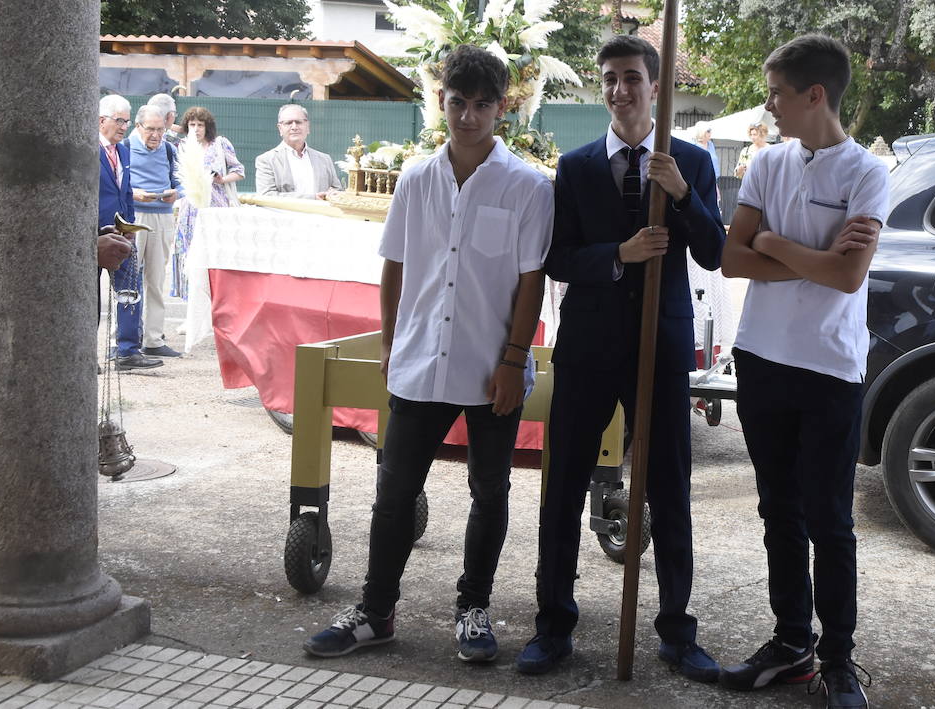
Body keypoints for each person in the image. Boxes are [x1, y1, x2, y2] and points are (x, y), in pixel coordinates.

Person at [303, 45, 553, 663]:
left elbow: (531, 281)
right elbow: (395, 267)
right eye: (458, 102)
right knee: (393, 494)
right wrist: (392, 343)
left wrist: (513, 357)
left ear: (503, 108)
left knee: (489, 491)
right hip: (418, 362)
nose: (468, 116)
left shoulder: (526, 186)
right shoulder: (416, 178)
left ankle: (473, 608)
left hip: (491, 365)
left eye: (482, 105)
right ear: (441, 101)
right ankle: (376, 611)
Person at [516, 34, 725, 680]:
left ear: (654, 86)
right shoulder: (576, 167)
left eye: (631, 77)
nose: (618, 89)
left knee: (669, 485)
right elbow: (557, 257)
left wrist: (683, 193)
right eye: (608, 78)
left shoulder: (689, 160)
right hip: (587, 347)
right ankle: (553, 624)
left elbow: (715, 250)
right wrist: (619, 254)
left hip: (659, 346)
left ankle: (676, 631)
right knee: (564, 485)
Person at [718, 35, 888, 709]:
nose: (770, 105)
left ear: (815, 95)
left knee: (829, 515)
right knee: (777, 508)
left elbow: (848, 277)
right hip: (762, 357)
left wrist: (774, 242)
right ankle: (792, 642)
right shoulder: (767, 162)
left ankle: (839, 657)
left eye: (778, 93)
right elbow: (731, 259)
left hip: (829, 368)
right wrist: (807, 254)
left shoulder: (866, 173)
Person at [98, 94, 161, 371]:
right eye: (119, 120)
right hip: (95, 235)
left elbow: (124, 191)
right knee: (87, 298)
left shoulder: (123, 151)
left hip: (122, 233)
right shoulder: (88, 149)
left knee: (129, 291)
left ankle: (127, 351)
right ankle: (85, 355)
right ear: (101, 121)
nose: (124, 126)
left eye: (126, 120)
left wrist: (130, 226)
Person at [172, 106, 243, 298]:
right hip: (190, 210)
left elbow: (239, 170)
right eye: (192, 124)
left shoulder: (219, 144)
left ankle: (215, 307)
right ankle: (192, 310)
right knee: (189, 258)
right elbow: (161, 132)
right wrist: (180, 129)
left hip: (216, 208)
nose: (196, 129)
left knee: (214, 257)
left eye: (200, 124)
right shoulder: (182, 145)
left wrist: (221, 179)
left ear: (207, 126)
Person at [128, 105, 181, 359]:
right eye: (150, 129)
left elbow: (179, 181)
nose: (156, 135)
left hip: (162, 216)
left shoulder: (169, 149)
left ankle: (154, 338)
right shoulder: (124, 148)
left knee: (156, 280)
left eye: (160, 129)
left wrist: (176, 193)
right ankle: (126, 338)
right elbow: (114, 181)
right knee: (128, 279)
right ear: (138, 127)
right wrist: (133, 193)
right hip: (135, 215)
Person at [254, 104, 342, 199]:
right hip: (283, 214)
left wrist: (334, 194)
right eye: (288, 123)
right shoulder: (267, 160)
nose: (294, 127)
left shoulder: (325, 159)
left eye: (299, 122)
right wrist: (313, 198)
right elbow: (266, 196)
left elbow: (338, 190)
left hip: (320, 213)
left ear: (307, 126)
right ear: (280, 128)